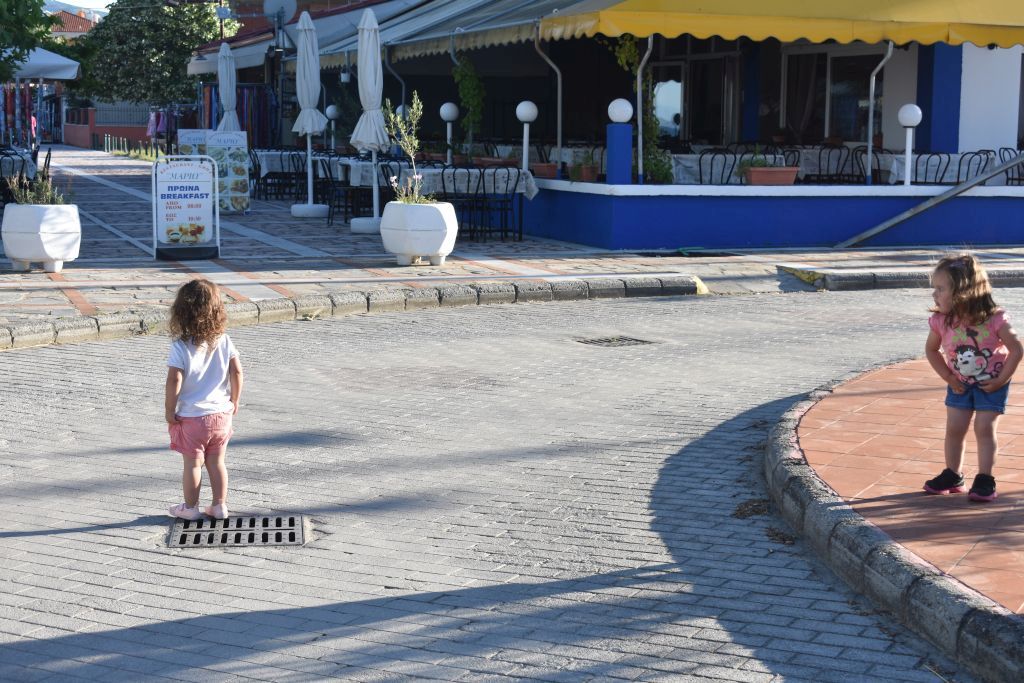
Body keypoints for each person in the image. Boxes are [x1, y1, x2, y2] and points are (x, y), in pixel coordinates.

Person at [924, 254, 1022, 502]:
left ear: (962, 291)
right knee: (955, 428)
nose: (934, 294)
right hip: (959, 385)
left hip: (991, 385)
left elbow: (1016, 349)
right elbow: (931, 350)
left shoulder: (994, 319)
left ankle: (985, 478)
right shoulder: (941, 321)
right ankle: (953, 474)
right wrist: (948, 377)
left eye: (940, 289)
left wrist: (1000, 381)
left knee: (984, 428)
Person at [165, 279, 243, 520]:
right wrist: (235, 400)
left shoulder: (180, 346)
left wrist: (169, 409)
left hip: (193, 417)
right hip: (221, 415)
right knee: (217, 462)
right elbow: (236, 371)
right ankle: (219, 506)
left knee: (193, 464)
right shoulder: (224, 340)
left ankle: (190, 508)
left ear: (181, 312)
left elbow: (174, 380)